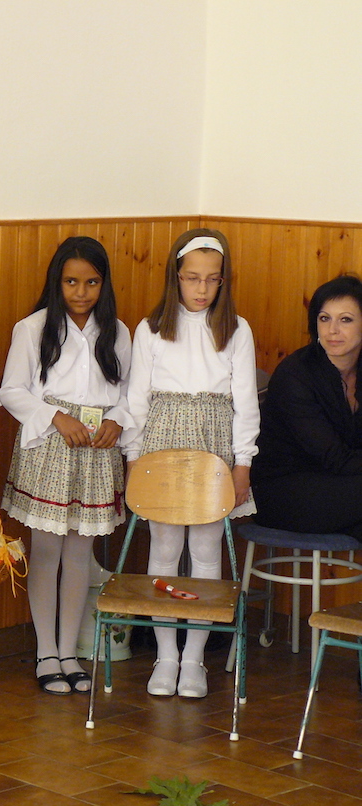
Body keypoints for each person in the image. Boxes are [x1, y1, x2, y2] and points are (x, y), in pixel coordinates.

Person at [124, 228, 258, 699]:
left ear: (224, 280)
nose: (202, 289)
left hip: (213, 445)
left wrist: (242, 463)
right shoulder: (150, 328)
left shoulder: (236, 330)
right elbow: (136, 399)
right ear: (175, 277)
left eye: (212, 279)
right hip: (162, 443)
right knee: (163, 548)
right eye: (192, 278)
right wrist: (133, 459)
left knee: (205, 549)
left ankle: (194, 658)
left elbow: (245, 404)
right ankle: (166, 656)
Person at [0, 236, 132, 695]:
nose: (81, 292)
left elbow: (131, 393)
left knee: (80, 554)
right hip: (51, 444)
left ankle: (70, 652)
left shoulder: (117, 331)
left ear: (104, 284)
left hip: (97, 449)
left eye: (91, 282)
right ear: (57, 282)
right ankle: (46, 653)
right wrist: (55, 417)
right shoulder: (34, 328)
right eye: (71, 282)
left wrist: (117, 420)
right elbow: (11, 391)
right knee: (47, 549)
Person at [252, 275, 362, 537]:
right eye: (324, 318)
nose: (332, 330)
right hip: (283, 489)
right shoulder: (295, 374)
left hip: (343, 485)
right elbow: (334, 458)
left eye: (345, 319)